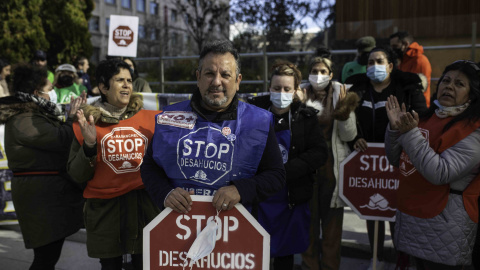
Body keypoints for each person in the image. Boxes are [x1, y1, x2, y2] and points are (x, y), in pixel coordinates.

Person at [140, 39, 285, 215]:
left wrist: (241, 190)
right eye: (209, 73)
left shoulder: (258, 121)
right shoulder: (170, 117)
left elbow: (276, 175)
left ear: (238, 80)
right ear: (198, 77)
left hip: (234, 230)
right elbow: (149, 167)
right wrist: (165, 193)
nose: (216, 82)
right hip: (177, 227)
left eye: (225, 75)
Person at [385, 60, 480, 269]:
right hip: (412, 218)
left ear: (472, 94)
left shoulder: (474, 130)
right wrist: (395, 130)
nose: (449, 86)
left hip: (443, 228)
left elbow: (440, 172)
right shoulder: (427, 118)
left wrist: (410, 134)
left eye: (459, 84)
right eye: (446, 80)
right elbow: (398, 161)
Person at [67, 59, 160, 270]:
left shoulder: (151, 119)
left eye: (129, 80)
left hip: (144, 211)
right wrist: (89, 146)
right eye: (120, 80)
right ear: (103, 87)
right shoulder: (86, 123)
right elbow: (76, 174)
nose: (127, 85)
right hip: (106, 214)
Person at [348, 46, 427, 270]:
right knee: (373, 209)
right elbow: (350, 122)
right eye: (370, 63)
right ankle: (377, 259)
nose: (374, 66)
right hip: (366, 162)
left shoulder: (408, 89)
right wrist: (355, 138)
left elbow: (421, 119)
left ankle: (401, 261)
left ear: (390, 66)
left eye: (379, 61)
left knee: (396, 211)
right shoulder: (358, 90)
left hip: (399, 160)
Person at [0, 63, 86, 269]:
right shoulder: (24, 119)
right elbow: (60, 139)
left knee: (49, 255)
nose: (53, 92)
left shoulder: (35, 114)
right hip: (40, 197)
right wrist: (73, 117)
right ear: (36, 92)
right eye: (49, 88)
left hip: (48, 193)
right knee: (45, 258)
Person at [248, 60, 327, 270]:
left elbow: (320, 153)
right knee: (255, 253)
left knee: (285, 256)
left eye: (286, 89)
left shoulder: (305, 117)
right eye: (276, 88)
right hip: (260, 198)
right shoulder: (252, 113)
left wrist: (286, 171)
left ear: (295, 91)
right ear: (269, 88)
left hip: (290, 199)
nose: (281, 92)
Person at [299, 52, 359, 270]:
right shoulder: (300, 93)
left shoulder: (342, 94)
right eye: (314, 71)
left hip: (332, 170)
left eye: (323, 72)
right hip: (307, 170)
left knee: (332, 231)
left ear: (331, 74)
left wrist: (345, 110)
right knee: (308, 226)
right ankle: (310, 266)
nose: (318, 75)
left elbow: (349, 136)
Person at [389, 31, 432, 107]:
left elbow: (419, 87)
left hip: (417, 106)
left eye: (395, 46)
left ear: (405, 44)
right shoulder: (403, 60)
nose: (393, 50)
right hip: (405, 104)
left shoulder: (419, 60)